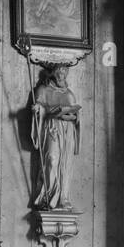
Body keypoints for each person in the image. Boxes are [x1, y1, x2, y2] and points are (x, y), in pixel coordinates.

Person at [31, 63, 81, 210]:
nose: (61, 77)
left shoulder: (69, 94)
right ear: (53, 74)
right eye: (59, 74)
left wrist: (73, 116)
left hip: (67, 131)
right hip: (52, 128)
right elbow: (39, 106)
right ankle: (48, 196)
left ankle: (63, 197)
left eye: (64, 74)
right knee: (52, 160)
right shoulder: (44, 90)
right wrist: (37, 109)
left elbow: (76, 115)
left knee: (65, 163)